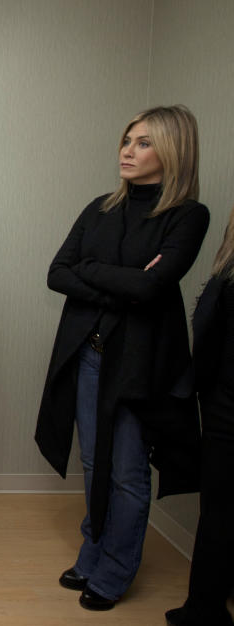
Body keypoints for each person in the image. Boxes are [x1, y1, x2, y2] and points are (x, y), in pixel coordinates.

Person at [35, 105, 208, 611]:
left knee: (128, 471)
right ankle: (94, 550)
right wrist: (124, 285)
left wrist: (94, 273)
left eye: (144, 143)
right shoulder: (100, 208)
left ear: (173, 151)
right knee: (93, 461)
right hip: (90, 354)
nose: (128, 151)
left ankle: (113, 571)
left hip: (138, 364)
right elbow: (57, 272)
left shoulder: (188, 216)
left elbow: (153, 285)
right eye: (126, 141)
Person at [165, 204, 234, 626]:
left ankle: (204, 611)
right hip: (221, 403)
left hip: (226, 408)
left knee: (221, 512)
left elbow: (207, 340)